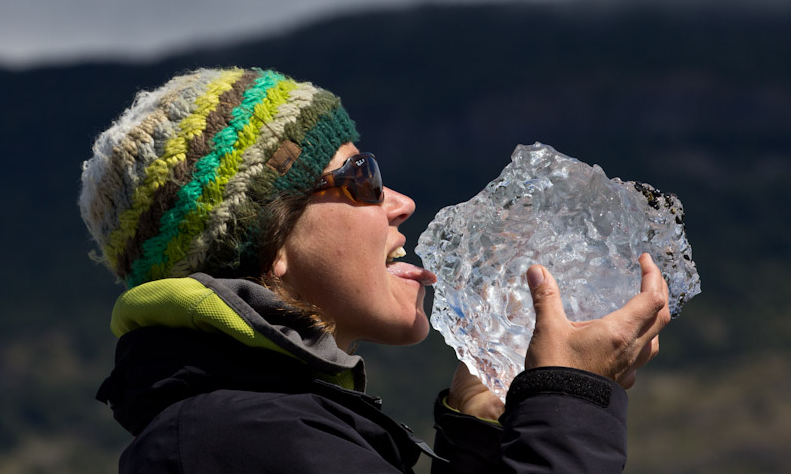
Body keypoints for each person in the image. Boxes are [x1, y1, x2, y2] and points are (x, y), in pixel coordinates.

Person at [79, 67, 671, 473]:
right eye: (360, 176)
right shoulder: (246, 440)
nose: (401, 202)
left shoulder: (255, 427)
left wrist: (481, 435)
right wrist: (569, 403)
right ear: (270, 244)